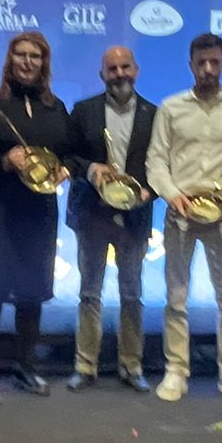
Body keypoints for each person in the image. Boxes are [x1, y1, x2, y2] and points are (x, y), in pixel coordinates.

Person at [0, 31, 74, 405]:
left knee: (32, 293)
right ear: (10, 60)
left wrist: (65, 169)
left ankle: (26, 368)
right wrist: (3, 161)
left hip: (39, 212)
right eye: (21, 55)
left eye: (35, 56)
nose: (28, 62)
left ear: (44, 63)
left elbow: (72, 152)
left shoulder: (56, 108)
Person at [144, 33, 222, 405]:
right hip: (181, 213)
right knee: (176, 296)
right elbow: (156, 160)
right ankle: (176, 370)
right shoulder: (171, 107)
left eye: (214, 62)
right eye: (201, 63)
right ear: (190, 64)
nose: (207, 69)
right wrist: (171, 195)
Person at [66, 44, 156, 393]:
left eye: (125, 67)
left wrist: (149, 191)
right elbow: (68, 156)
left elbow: (163, 164)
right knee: (89, 293)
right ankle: (84, 366)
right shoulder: (83, 111)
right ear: (102, 74)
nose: (120, 74)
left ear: (137, 70)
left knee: (132, 294)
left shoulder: (154, 114)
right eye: (112, 69)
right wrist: (91, 168)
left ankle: (131, 366)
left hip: (135, 216)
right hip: (92, 213)